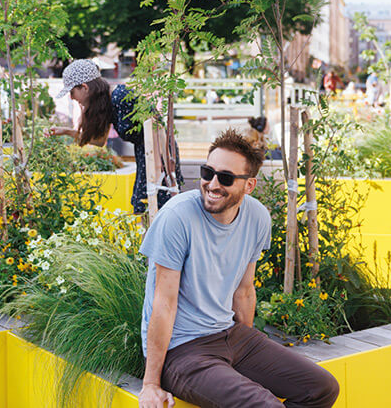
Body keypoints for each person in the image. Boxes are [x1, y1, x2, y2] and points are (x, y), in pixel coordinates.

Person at [138, 129, 339, 408]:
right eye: (208, 172)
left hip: (230, 335)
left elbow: (244, 291)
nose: (212, 184)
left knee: (321, 388)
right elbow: (163, 303)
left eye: (226, 178)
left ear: (249, 185)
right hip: (182, 350)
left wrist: (245, 354)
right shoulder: (177, 217)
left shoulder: (257, 217)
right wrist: (150, 384)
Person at [48, 59, 183, 213]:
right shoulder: (108, 103)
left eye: (72, 92)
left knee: (154, 206)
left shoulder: (121, 96)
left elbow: (156, 129)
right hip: (145, 154)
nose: (71, 97)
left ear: (84, 87)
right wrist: (66, 131)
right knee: (145, 206)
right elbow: (98, 141)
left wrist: (163, 172)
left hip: (159, 153)